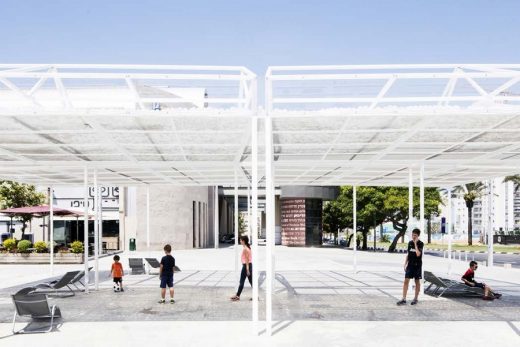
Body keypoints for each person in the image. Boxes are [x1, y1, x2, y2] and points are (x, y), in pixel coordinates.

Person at [397, 228, 423, 306]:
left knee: (417, 282)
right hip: (410, 265)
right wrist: (405, 263)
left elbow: (418, 254)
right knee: (406, 281)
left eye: (415, 235)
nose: (413, 237)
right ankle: (404, 299)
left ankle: (415, 298)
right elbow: (408, 254)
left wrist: (415, 244)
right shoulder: (409, 243)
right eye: (412, 235)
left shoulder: (420, 243)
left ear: (418, 236)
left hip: (417, 265)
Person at [230, 235, 252, 301]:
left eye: (240, 240)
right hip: (249, 266)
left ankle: (237, 296)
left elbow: (247, 260)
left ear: (244, 241)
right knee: (252, 282)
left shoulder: (245, 249)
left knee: (241, 282)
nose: (240, 241)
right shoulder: (247, 247)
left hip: (246, 266)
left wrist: (247, 270)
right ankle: (255, 295)